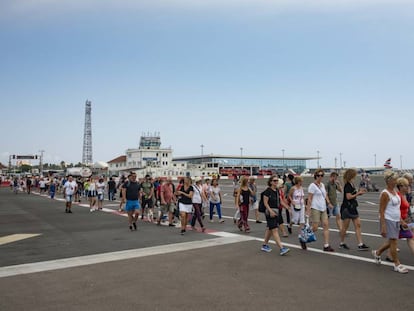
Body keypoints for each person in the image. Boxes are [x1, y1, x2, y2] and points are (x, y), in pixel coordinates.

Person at [372, 171, 408, 273]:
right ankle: (397, 264)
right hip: (388, 219)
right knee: (394, 241)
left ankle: (377, 252)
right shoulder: (385, 193)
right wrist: (383, 226)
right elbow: (381, 210)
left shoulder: (395, 192)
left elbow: (396, 208)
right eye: (394, 180)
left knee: (392, 241)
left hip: (396, 219)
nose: (396, 181)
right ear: (389, 181)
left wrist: (401, 221)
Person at [384, 177, 414, 262]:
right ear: (400, 186)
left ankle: (382, 253)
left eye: (408, 185)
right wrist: (401, 221)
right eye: (406, 186)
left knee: (394, 239)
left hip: (404, 221)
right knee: (407, 238)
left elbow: (406, 208)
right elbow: (395, 210)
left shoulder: (405, 195)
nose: (408, 187)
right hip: (398, 221)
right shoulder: (398, 196)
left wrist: (407, 218)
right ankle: (380, 252)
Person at [339, 169, 369, 250]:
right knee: (345, 227)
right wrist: (358, 193)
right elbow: (348, 197)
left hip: (353, 207)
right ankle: (342, 242)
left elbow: (353, 195)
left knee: (358, 225)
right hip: (347, 208)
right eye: (354, 175)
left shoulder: (352, 184)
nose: (356, 176)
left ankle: (360, 244)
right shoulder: (347, 185)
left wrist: (359, 193)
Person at [261, 175, 290, 256]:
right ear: (270, 182)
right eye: (274, 181)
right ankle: (281, 248)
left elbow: (280, 201)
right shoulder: (268, 191)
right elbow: (265, 203)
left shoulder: (276, 190)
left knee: (269, 229)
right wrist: (270, 211)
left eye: (277, 180)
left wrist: (287, 207)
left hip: (276, 211)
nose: (276, 182)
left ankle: (264, 245)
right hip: (270, 212)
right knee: (274, 230)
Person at [306, 169, 335, 252]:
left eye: (322, 175)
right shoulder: (312, 185)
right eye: (319, 175)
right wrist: (308, 210)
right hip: (315, 207)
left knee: (326, 225)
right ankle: (304, 237)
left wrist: (329, 203)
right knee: (315, 227)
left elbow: (325, 195)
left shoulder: (322, 185)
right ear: (316, 176)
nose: (320, 177)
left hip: (323, 207)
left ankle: (326, 245)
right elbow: (310, 198)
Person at [288, 176, 306, 249]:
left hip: (301, 205)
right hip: (295, 205)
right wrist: (292, 201)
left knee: (302, 221)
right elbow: (289, 195)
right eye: (301, 181)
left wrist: (305, 203)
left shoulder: (301, 188)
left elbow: (302, 197)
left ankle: (301, 236)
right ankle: (289, 225)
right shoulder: (293, 188)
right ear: (298, 182)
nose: (302, 182)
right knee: (295, 220)